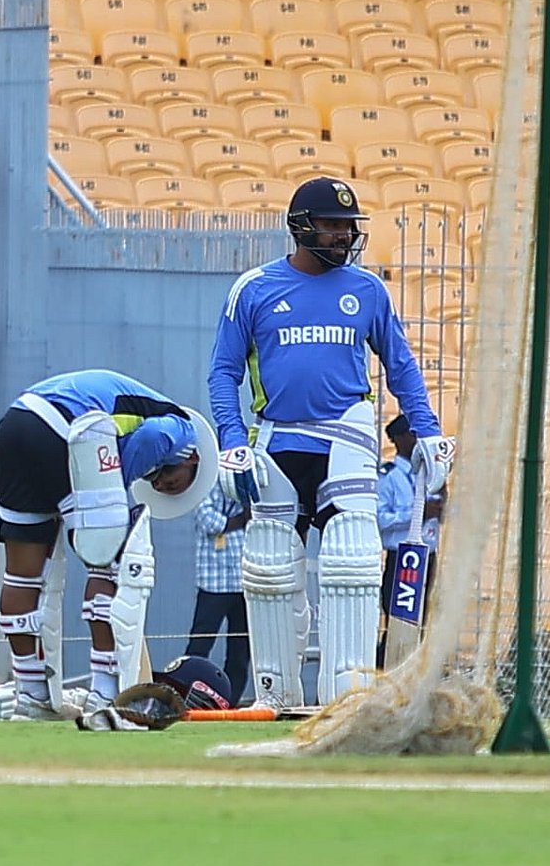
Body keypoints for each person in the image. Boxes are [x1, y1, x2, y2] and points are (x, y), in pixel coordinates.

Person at [208, 176, 455, 711]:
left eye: (349, 225)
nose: (344, 235)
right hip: (278, 438)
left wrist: (429, 431)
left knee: (351, 563)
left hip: (346, 435)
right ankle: (275, 694)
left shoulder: (367, 290)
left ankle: (348, 696)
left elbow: (401, 365)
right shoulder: (253, 289)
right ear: (301, 227)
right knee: (271, 567)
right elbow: (223, 371)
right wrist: (230, 439)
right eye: (332, 224)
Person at [0, 369, 218, 721]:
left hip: (16, 422)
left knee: (23, 574)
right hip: (65, 428)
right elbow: (154, 437)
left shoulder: (142, 408)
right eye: (173, 483)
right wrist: (109, 495)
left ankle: (32, 693)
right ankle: (103, 692)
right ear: (193, 459)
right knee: (107, 561)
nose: (160, 486)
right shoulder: (183, 428)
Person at [376, 413, 444, 666]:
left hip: (428, 554)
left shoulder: (427, 474)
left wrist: (444, 505)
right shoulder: (390, 475)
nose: (417, 440)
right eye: (412, 435)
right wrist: (417, 513)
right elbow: (381, 519)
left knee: (422, 619)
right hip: (401, 557)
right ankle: (385, 668)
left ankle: (412, 670)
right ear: (399, 438)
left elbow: (441, 515)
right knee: (398, 619)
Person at [186, 480, 250, 704]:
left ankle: (229, 703)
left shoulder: (246, 481)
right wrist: (241, 519)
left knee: (240, 652)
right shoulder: (205, 483)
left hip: (245, 582)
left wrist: (236, 521)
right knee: (199, 646)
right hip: (214, 583)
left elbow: (258, 516)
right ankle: (187, 695)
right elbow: (208, 520)